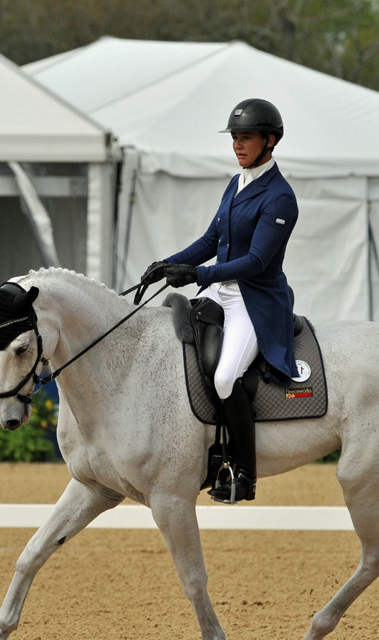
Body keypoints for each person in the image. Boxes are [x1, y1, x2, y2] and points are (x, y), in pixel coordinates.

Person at [137, 98, 300, 503]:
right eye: (235, 138)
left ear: (270, 140)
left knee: (226, 377)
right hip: (219, 291)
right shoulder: (236, 182)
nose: (238, 146)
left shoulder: (279, 197)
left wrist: (198, 274)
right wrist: (168, 263)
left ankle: (244, 473)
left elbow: (256, 261)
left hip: (254, 299)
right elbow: (212, 241)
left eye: (246, 138)